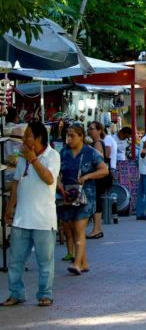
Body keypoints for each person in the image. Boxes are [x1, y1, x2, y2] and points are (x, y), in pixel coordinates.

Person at [1, 122, 60, 307]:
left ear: (38, 138)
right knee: (15, 261)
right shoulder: (22, 157)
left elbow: (49, 178)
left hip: (43, 220)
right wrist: (9, 208)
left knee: (45, 262)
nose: (23, 138)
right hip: (21, 218)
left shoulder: (53, 155)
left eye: (27, 135)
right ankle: (16, 293)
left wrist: (33, 159)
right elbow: (16, 184)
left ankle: (45, 295)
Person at [57, 124, 108, 275]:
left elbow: (104, 170)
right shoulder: (64, 152)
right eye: (67, 135)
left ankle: (77, 263)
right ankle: (84, 262)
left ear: (81, 137)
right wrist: (58, 182)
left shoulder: (91, 153)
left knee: (79, 228)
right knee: (71, 229)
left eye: (72, 135)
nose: (69, 139)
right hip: (67, 196)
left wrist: (87, 176)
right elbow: (57, 171)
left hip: (85, 197)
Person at [86, 121, 113, 239]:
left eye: (92, 129)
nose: (90, 130)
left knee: (96, 202)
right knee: (97, 201)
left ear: (99, 131)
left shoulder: (97, 143)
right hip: (100, 176)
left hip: (98, 176)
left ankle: (96, 229)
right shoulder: (98, 142)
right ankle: (97, 228)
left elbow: (99, 158)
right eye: (89, 128)